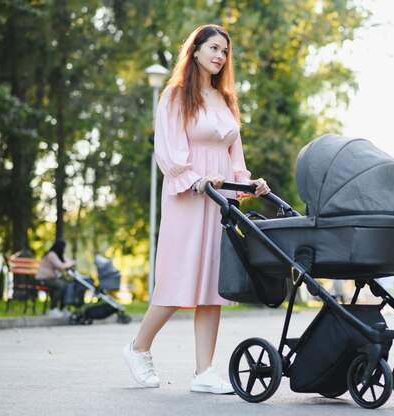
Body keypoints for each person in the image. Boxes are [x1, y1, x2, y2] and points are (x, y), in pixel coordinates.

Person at [122, 24, 270, 393]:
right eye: (214, 49)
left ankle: (204, 371)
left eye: (224, 51)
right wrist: (195, 179)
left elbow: (235, 154)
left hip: (220, 202)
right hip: (189, 197)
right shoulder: (174, 97)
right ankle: (138, 347)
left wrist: (248, 182)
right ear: (196, 51)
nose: (220, 56)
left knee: (213, 285)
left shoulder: (226, 99)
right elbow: (168, 152)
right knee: (178, 279)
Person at [36, 239, 76, 318]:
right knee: (60, 286)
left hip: (51, 279)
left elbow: (65, 262)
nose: (65, 250)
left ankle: (63, 308)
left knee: (66, 284)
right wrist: (70, 263)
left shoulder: (58, 255)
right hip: (43, 279)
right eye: (64, 248)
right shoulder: (51, 255)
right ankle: (53, 309)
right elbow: (61, 266)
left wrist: (70, 262)